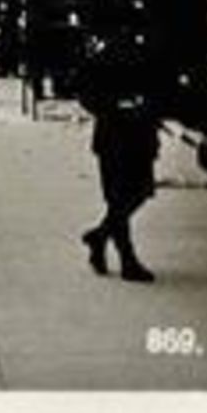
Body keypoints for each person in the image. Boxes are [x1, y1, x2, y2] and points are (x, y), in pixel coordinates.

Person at [79, 26, 161, 282]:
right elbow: (88, 95)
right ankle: (127, 259)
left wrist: (146, 105)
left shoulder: (143, 54)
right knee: (120, 197)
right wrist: (116, 107)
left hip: (136, 133)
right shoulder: (102, 59)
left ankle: (100, 236)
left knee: (138, 192)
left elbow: (158, 88)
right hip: (116, 135)